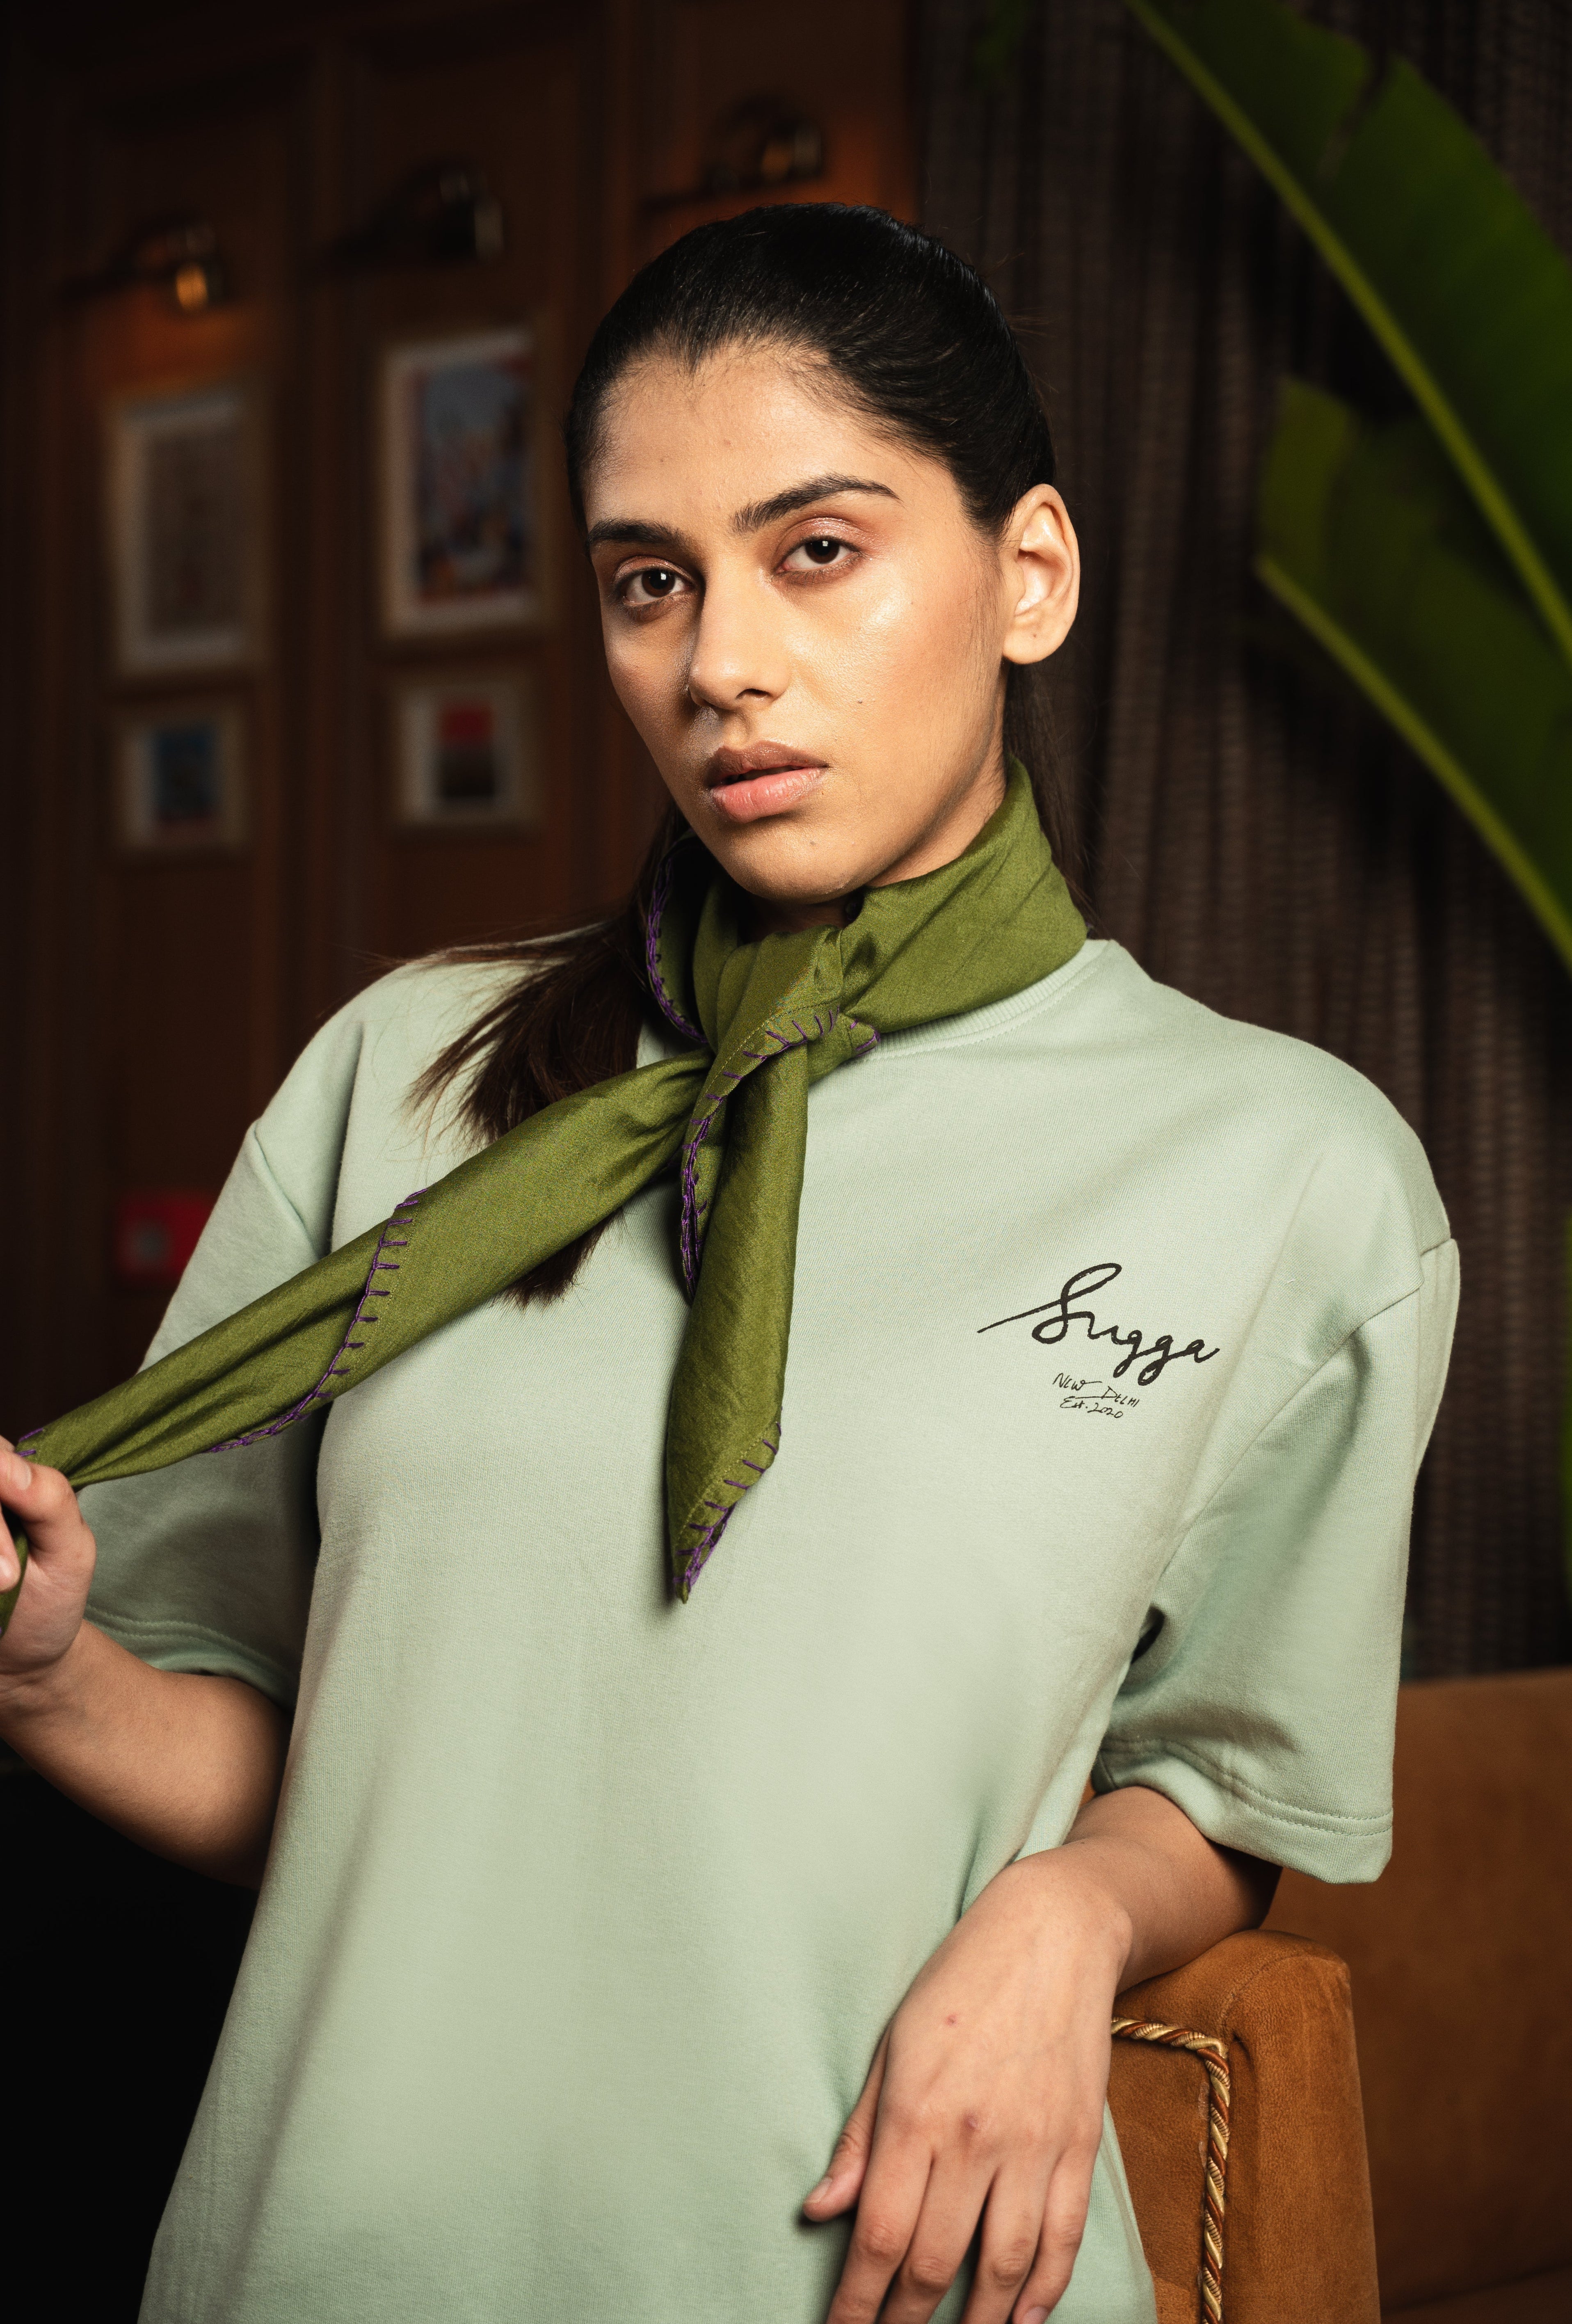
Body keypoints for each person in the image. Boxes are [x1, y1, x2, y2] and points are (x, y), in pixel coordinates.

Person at [0, 205, 1456, 2324]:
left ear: (1023, 574)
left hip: (878, 2281)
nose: (718, 667)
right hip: (331, 2262)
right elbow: (339, 1793)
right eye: (645, 582)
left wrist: (1062, 1918)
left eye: (819, 551)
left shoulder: (1285, 1171)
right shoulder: (399, 1073)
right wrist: (47, 1673)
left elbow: (1229, 1781)